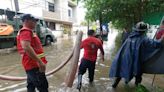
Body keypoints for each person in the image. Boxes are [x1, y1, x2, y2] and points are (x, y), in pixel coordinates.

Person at [109, 22, 164, 88]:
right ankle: (137, 88)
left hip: (125, 60)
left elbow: (122, 51)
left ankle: (114, 86)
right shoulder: (144, 40)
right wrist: (163, 37)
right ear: (144, 31)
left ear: (135, 29)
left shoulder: (129, 38)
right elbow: (157, 44)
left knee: (120, 73)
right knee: (138, 75)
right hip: (136, 63)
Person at [17, 14, 48, 92]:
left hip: (31, 64)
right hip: (34, 65)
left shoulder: (29, 31)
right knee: (43, 86)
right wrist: (40, 62)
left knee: (31, 86)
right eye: (34, 21)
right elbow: (26, 47)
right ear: (26, 21)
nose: (36, 23)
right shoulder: (26, 31)